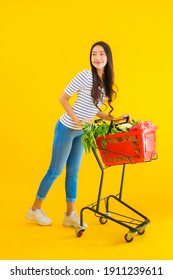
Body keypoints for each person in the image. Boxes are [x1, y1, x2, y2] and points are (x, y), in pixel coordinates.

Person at [25, 41, 127, 228]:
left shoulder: (105, 83)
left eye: (101, 54)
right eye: (94, 54)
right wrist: (77, 120)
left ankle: (70, 214)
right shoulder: (84, 75)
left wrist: (115, 119)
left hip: (82, 133)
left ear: (108, 57)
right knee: (55, 171)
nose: (97, 58)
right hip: (67, 128)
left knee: (73, 172)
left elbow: (94, 110)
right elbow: (62, 99)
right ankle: (34, 210)